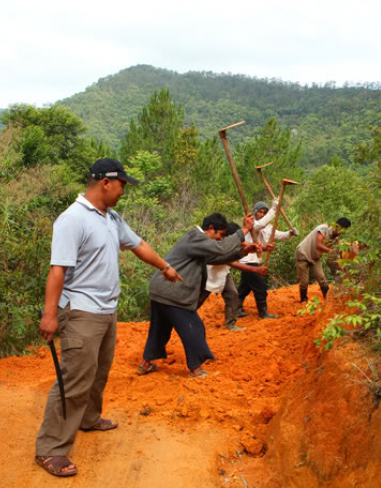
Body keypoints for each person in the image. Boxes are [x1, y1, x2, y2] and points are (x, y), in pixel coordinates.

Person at [34, 158, 181, 478]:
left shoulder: (111, 218)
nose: (123, 191)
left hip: (106, 311)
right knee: (74, 378)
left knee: (98, 371)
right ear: (105, 182)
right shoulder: (72, 219)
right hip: (81, 312)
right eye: (122, 185)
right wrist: (49, 315)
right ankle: (50, 447)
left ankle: (88, 418)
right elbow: (57, 269)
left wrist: (164, 266)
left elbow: (138, 244)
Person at [138, 212, 259, 377]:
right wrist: (244, 229)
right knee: (193, 328)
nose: (220, 239)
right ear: (210, 228)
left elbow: (217, 258)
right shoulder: (195, 237)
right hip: (172, 293)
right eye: (221, 235)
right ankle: (195, 369)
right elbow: (221, 248)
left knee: (159, 329)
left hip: (161, 290)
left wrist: (243, 252)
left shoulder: (196, 240)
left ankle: (146, 364)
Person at [199, 222, 265, 331]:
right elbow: (231, 261)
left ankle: (231, 323)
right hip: (209, 274)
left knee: (233, 294)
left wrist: (263, 247)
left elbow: (246, 244)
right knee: (198, 300)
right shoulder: (217, 244)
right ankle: (183, 316)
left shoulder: (232, 241)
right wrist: (254, 269)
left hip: (223, 273)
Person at [238, 199, 297, 319]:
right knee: (261, 287)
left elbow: (279, 235)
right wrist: (274, 208)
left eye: (265, 212)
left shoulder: (268, 227)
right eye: (260, 212)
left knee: (244, 288)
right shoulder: (252, 224)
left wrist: (290, 233)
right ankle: (263, 313)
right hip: (248, 261)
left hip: (255, 261)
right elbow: (262, 224)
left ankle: (235, 308)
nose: (263, 214)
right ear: (255, 213)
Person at [295, 217, 352, 302]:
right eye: (342, 230)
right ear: (337, 226)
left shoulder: (336, 238)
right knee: (304, 281)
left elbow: (337, 253)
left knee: (322, 278)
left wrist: (343, 265)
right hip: (303, 253)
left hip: (315, 257)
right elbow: (319, 245)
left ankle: (328, 300)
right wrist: (331, 250)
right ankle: (303, 300)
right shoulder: (323, 229)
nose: (342, 233)